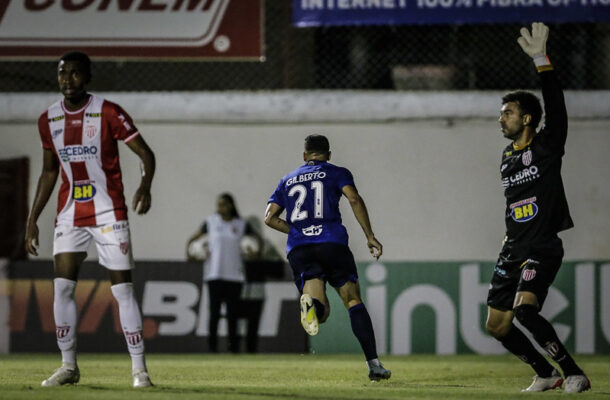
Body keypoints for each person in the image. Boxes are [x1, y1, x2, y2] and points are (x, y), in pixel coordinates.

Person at [24, 51, 155, 388]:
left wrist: (144, 186)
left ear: (88, 77)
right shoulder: (48, 119)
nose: (68, 79)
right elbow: (49, 172)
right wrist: (32, 218)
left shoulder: (108, 111)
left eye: (75, 73)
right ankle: (69, 367)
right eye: (62, 73)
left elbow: (145, 153)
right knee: (62, 289)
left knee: (123, 291)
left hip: (109, 212)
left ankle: (140, 371)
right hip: (70, 215)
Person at [485, 23, 590, 393]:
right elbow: (516, 204)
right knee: (496, 326)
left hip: (542, 245)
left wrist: (542, 61)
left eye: (508, 113)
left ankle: (573, 372)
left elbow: (557, 110)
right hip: (512, 248)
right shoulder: (506, 157)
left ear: (527, 118)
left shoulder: (545, 147)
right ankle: (545, 373)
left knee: (525, 310)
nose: (501, 118)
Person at [264, 134, 390, 381]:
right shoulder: (336, 172)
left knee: (321, 314)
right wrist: (370, 235)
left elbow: (269, 217)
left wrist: (298, 230)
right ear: (329, 155)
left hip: (301, 249)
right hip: (331, 243)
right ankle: (373, 365)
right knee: (353, 300)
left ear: (304, 155)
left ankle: (312, 305)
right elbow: (353, 198)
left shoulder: (287, 179)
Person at [186, 193, 262, 353]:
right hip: (214, 274)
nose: (221, 208)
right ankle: (212, 349)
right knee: (214, 313)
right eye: (219, 204)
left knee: (232, 315)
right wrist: (190, 254)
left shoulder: (241, 224)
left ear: (231, 206)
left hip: (235, 276)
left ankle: (233, 349)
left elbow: (256, 240)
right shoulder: (211, 222)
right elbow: (193, 238)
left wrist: (255, 253)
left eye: (224, 204)